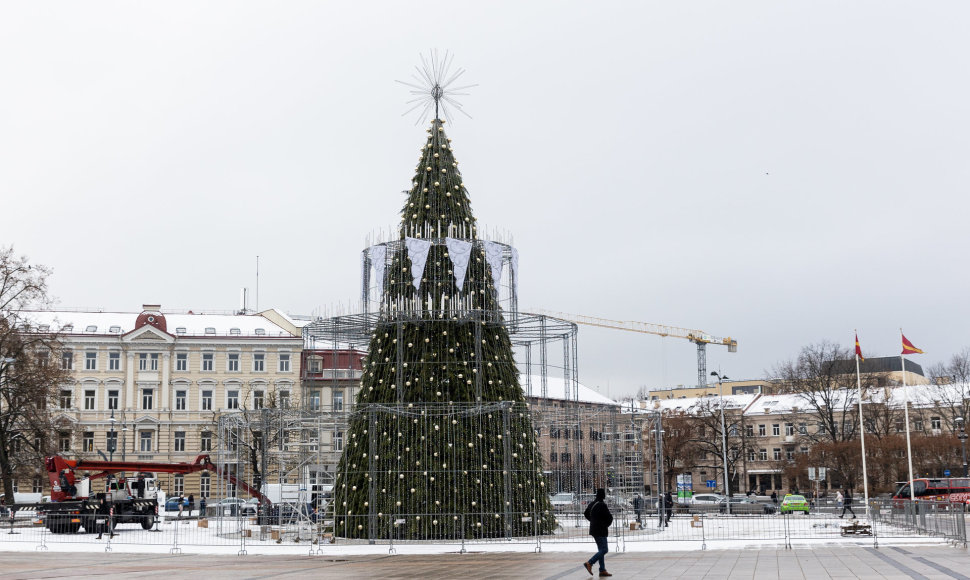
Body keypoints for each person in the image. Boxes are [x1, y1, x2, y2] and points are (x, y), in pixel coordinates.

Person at [582, 488, 614, 577]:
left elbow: (585, 513)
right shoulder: (602, 505)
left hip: (594, 529)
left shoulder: (592, 504)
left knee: (601, 550)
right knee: (604, 549)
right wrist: (605, 525)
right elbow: (609, 517)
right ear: (603, 495)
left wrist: (593, 521)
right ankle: (589, 563)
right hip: (601, 530)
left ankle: (602, 570)